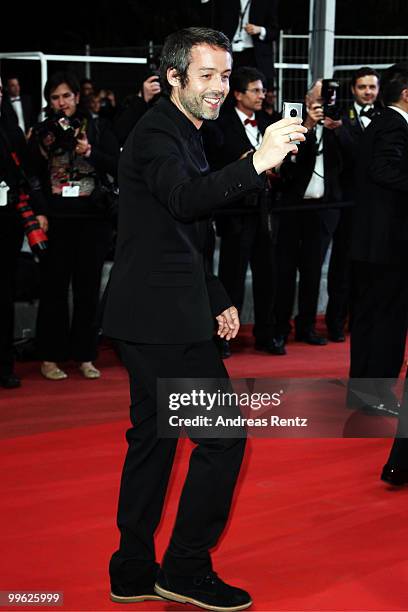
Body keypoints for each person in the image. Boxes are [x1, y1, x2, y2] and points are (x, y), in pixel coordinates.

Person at [102, 27, 306, 611]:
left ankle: (132, 568)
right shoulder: (159, 134)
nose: (221, 88)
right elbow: (187, 200)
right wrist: (257, 162)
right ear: (174, 78)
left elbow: (182, 230)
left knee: (154, 442)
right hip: (162, 322)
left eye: (225, 75)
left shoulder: (186, 129)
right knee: (223, 440)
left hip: (154, 312)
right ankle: (185, 567)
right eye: (208, 76)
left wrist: (215, 292)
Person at [28, 71, 119, 381]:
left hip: (93, 220)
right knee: (53, 290)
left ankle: (85, 355)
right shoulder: (41, 133)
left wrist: (89, 151)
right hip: (57, 221)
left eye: (66, 96)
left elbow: (117, 166)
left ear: (77, 97)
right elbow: (32, 177)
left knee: (88, 290)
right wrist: (40, 212)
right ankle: (49, 356)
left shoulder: (97, 127)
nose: (61, 102)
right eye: (55, 97)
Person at [208, 66, 282, 358]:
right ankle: (224, 337)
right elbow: (217, 166)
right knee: (232, 276)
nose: (262, 96)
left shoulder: (269, 122)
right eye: (255, 90)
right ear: (237, 94)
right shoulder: (220, 125)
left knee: (268, 275)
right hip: (235, 212)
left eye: (263, 90)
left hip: (265, 210)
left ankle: (267, 334)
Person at [348, 62, 408, 418]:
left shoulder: (382, 123)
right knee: (387, 319)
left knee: (372, 318)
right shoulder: (394, 125)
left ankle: (365, 393)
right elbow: (382, 170)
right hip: (388, 246)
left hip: (376, 243)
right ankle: (377, 394)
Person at [273, 79, 343, 351]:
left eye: (331, 93)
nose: (327, 97)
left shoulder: (339, 123)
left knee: (313, 272)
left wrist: (335, 130)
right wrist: (310, 127)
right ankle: (280, 328)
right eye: (321, 92)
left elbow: (351, 158)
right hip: (292, 209)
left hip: (323, 211)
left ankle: (307, 326)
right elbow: (288, 167)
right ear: (307, 96)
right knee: (285, 271)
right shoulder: (294, 121)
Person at [325, 67, 381, 342]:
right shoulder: (340, 117)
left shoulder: (386, 116)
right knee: (341, 267)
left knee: (370, 268)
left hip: (378, 209)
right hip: (347, 204)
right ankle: (336, 322)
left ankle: (362, 321)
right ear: (353, 90)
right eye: (363, 87)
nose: (368, 92)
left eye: (372, 87)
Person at [0, 75, 46, 388]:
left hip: (6, 220)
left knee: (4, 295)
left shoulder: (10, 129)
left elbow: (28, 172)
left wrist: (40, 210)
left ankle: (4, 366)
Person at [199, 0, 279, 79]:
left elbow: (274, 32)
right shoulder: (225, 2)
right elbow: (210, 20)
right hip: (230, 52)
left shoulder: (267, 2)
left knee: (254, 85)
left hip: (255, 55)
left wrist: (260, 30)